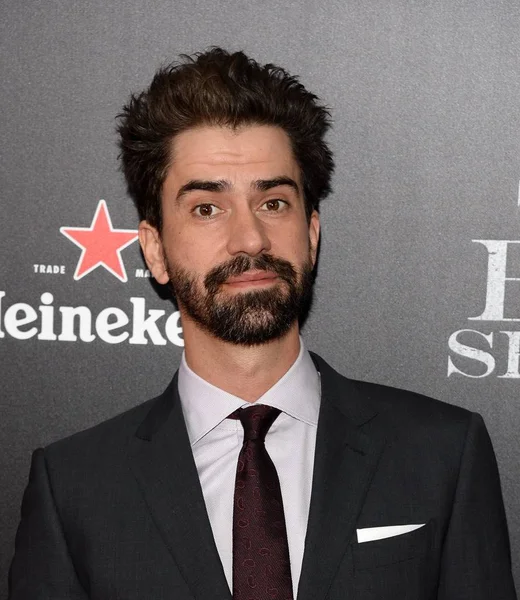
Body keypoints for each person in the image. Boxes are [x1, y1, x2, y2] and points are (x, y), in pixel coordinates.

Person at [9, 48, 517, 600]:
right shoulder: (75, 486)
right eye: (207, 208)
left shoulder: (442, 452)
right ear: (154, 249)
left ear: (312, 233)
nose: (250, 239)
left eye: (273, 202)